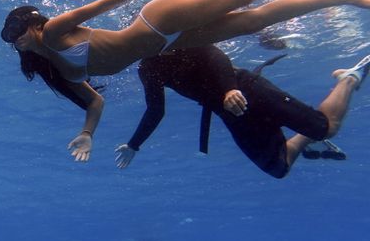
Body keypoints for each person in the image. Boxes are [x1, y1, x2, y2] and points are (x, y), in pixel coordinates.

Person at [0, 0, 370, 161]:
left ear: (34, 24)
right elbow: (95, 104)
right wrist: (87, 134)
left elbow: (96, 8)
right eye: (10, 38)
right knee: (250, 22)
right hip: (167, 44)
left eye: (16, 31)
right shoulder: (61, 73)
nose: (14, 39)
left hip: (158, 20)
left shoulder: (52, 32)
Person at [114, 45, 370, 178]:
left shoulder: (182, 40)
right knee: (278, 168)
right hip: (228, 112)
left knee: (325, 127)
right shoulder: (147, 68)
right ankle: (306, 139)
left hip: (246, 89)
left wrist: (229, 89)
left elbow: (213, 54)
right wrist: (134, 145)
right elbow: (155, 110)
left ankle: (347, 78)